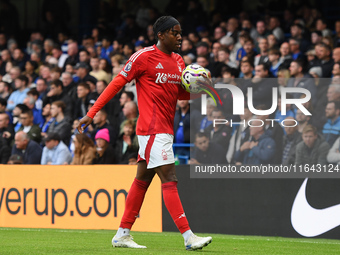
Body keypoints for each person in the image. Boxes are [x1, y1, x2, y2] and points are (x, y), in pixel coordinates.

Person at [77, 16, 212, 250]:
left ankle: (122, 234)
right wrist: (92, 112)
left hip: (164, 130)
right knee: (170, 178)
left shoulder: (179, 61)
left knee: (142, 180)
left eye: (180, 32)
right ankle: (189, 237)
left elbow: (178, 94)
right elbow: (117, 83)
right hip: (152, 129)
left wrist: (202, 90)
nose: (179, 37)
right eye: (174, 32)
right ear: (160, 34)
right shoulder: (143, 57)